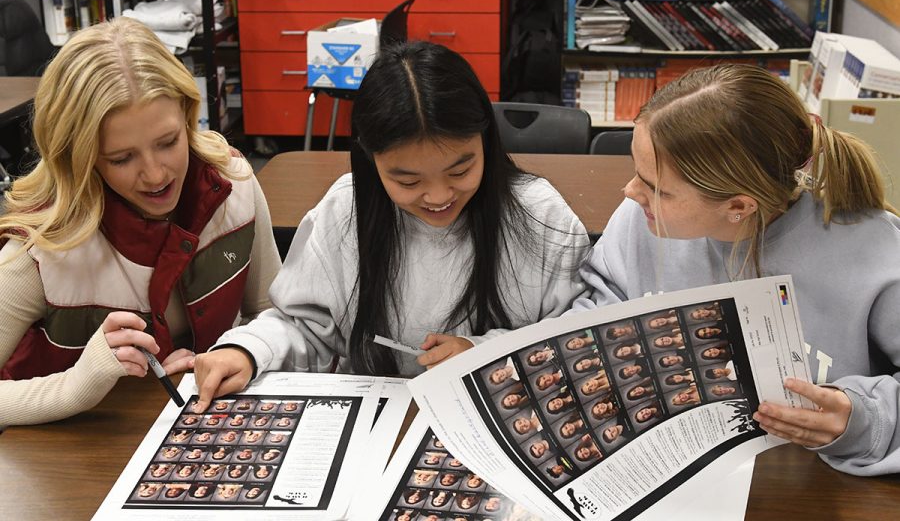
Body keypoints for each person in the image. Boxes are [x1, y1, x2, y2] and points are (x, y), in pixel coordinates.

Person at [191, 41, 589, 405]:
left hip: (506, 411)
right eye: (408, 181)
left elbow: (581, 333)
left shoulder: (540, 215)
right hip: (379, 423)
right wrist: (247, 349)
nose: (438, 197)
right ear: (371, 160)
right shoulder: (345, 211)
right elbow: (305, 325)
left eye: (461, 169)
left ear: (486, 140)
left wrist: (486, 353)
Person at [572, 63, 900, 475]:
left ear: (739, 207)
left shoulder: (876, 253)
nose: (631, 192)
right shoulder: (641, 216)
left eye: (658, 188)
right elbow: (600, 303)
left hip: (800, 485)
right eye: (638, 174)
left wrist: (861, 417)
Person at [0, 18, 281, 426]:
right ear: (81, 158)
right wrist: (78, 384)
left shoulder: (234, 185)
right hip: (62, 467)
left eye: (168, 143)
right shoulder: (40, 246)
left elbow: (271, 314)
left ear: (189, 117)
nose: (155, 175)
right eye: (121, 158)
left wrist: (240, 351)